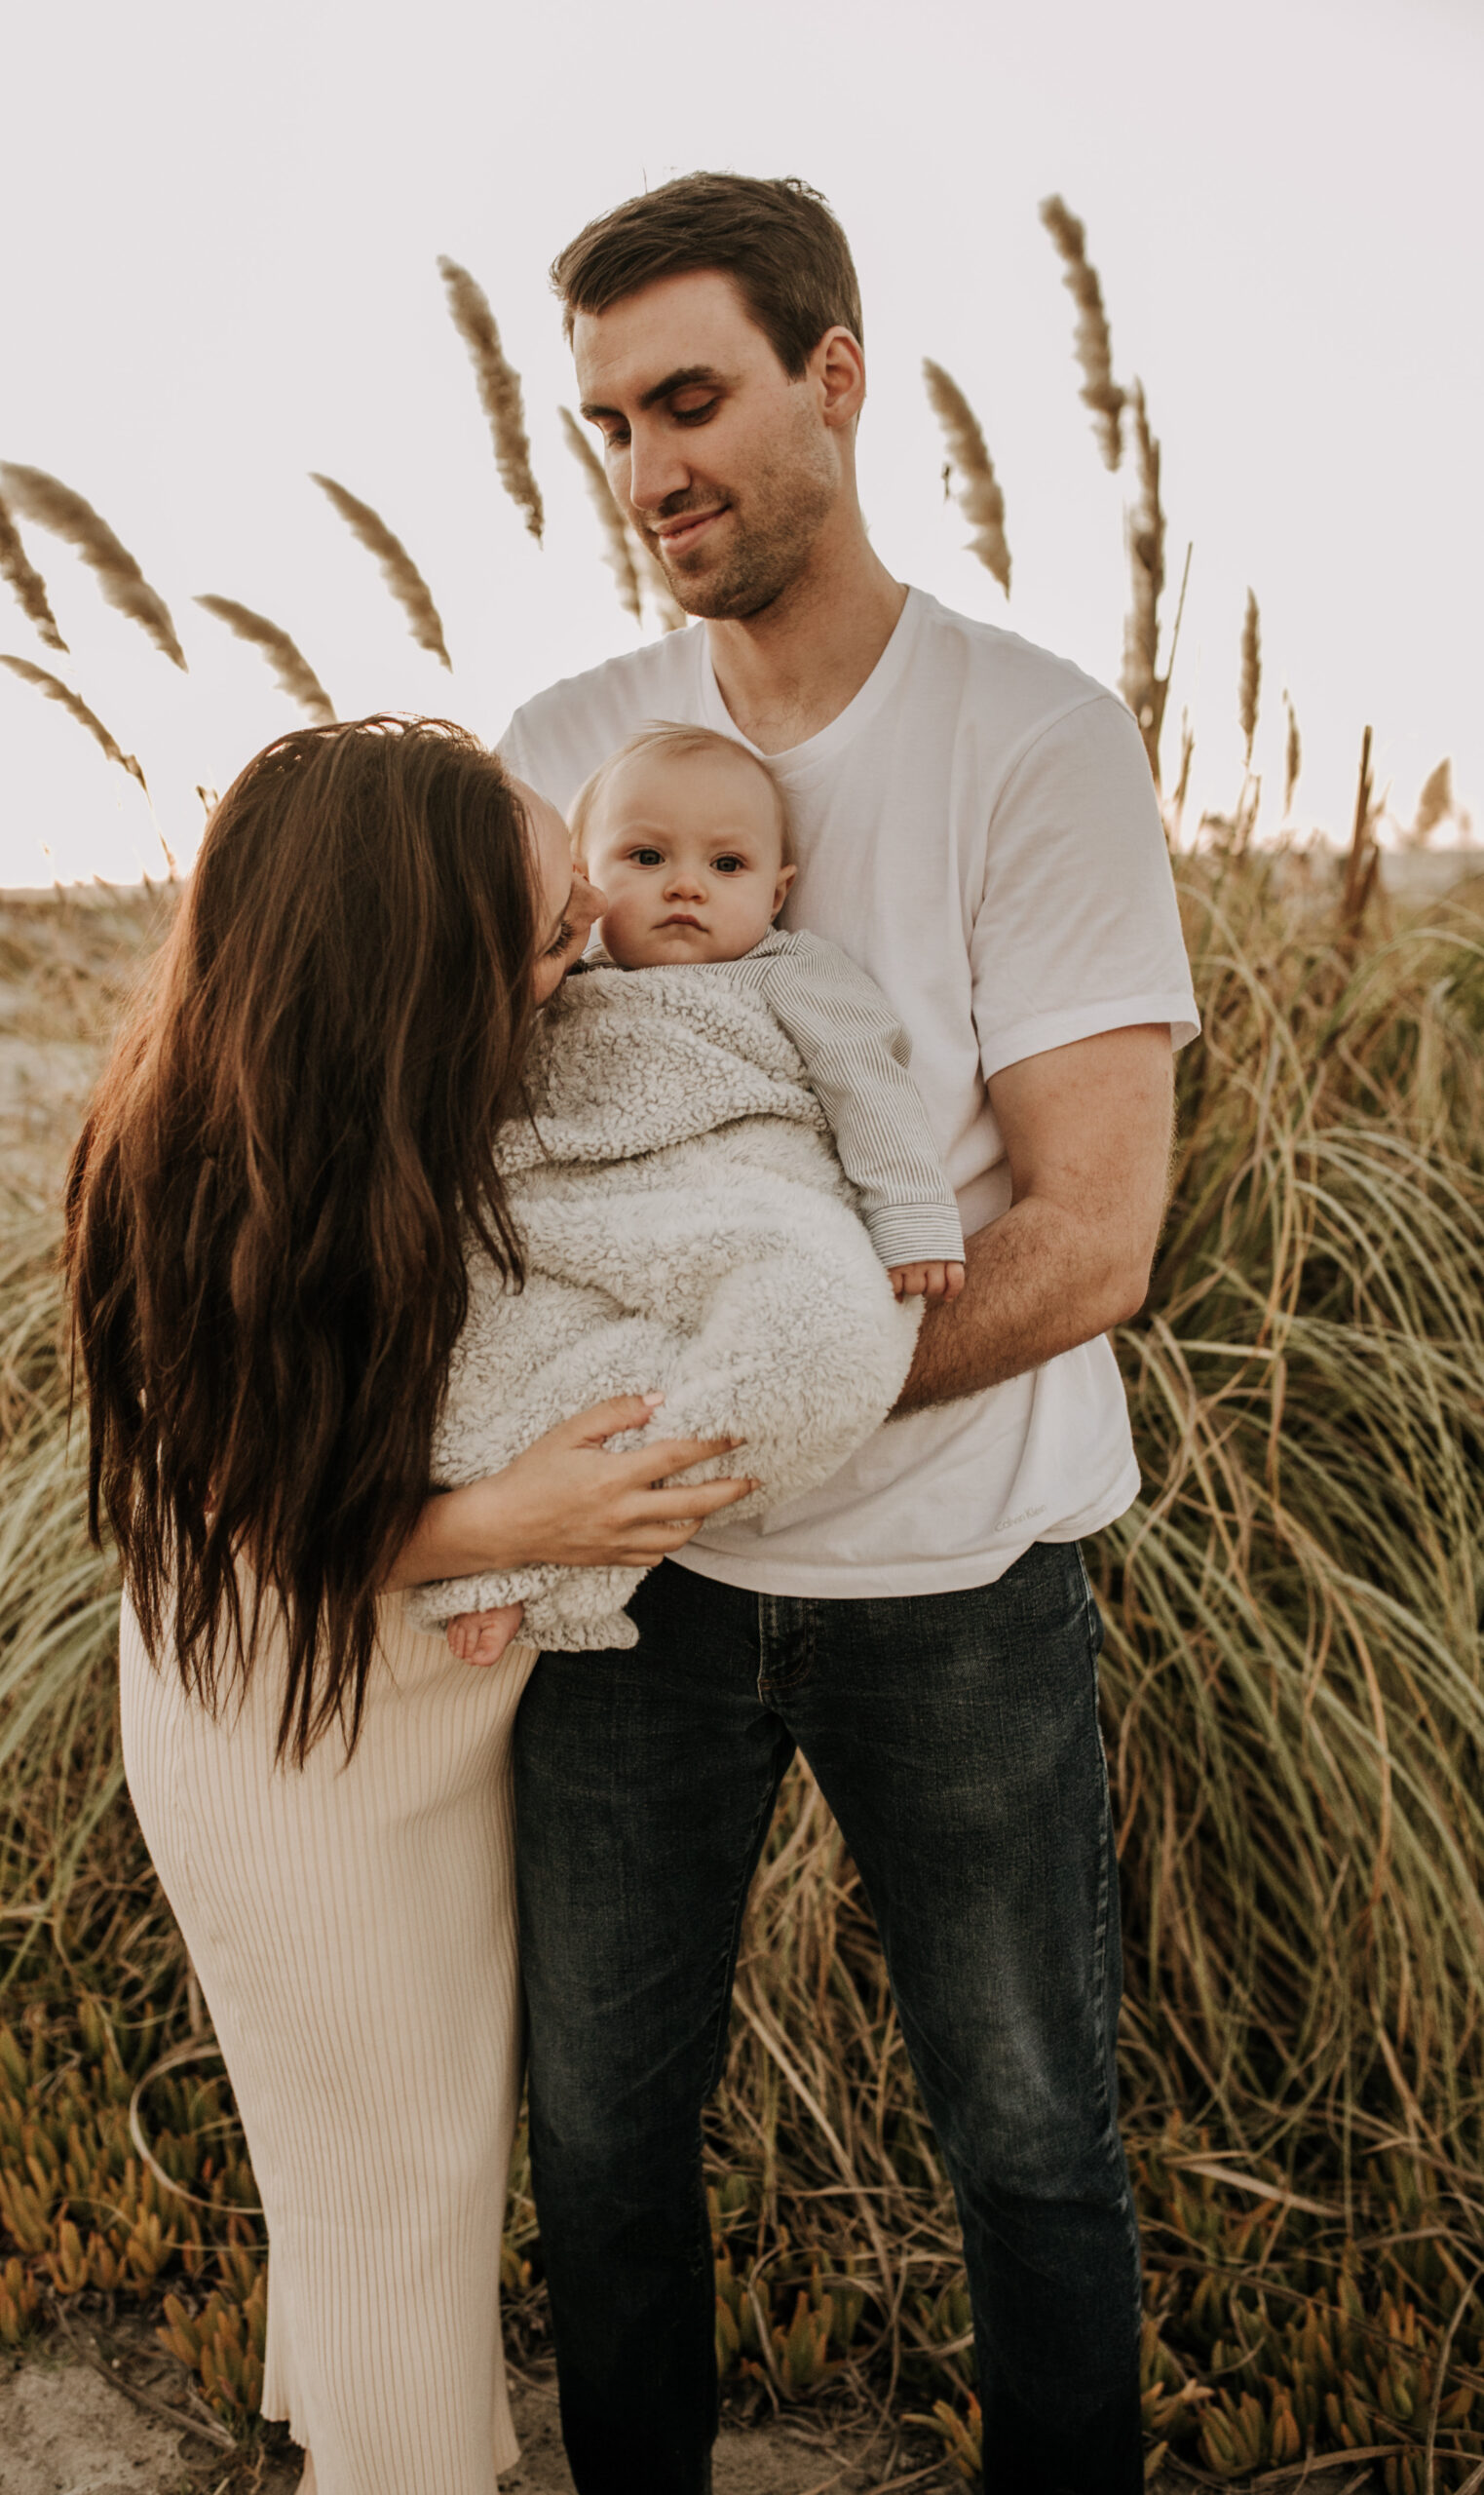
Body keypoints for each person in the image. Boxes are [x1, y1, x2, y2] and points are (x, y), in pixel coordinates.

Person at [498, 173, 1199, 2495]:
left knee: (1023, 2133)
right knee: (599, 2142)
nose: (643, 466)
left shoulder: (1026, 736)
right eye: (603, 420)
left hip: (955, 1582)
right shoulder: (567, 737)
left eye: (684, 396)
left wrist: (743, 1403)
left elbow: (1087, 1237)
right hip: (635, 1591)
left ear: (831, 371)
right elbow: (459, 1122)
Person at [64, 715, 759, 2495]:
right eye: (537, 934)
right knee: (400, 2179)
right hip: (294, 1737)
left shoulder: (417, 1102)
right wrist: (509, 1515)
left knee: (386, 2154)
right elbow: (243, 1517)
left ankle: (347, 2430)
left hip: (409, 1717)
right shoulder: (211, 1163)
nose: (584, 952)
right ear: (402, 963)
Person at [438, 719, 965, 1668]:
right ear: (587, 887)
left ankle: (564, 1573)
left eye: (727, 864)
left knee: (729, 1359)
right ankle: (489, 1545)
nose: (687, 885)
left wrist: (912, 1219)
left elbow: (869, 1089)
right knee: (496, 1352)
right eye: (647, 856)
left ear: (778, 890)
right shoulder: (566, 981)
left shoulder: (795, 974)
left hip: (738, 1205)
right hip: (577, 1219)